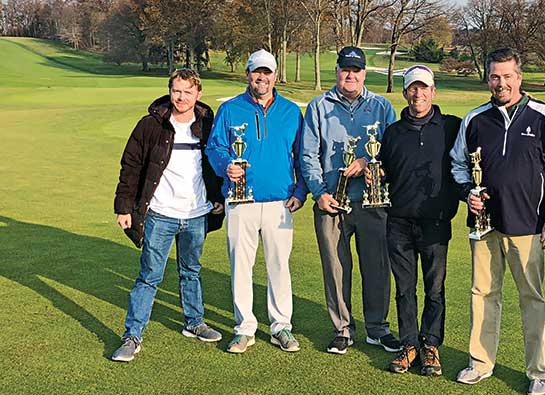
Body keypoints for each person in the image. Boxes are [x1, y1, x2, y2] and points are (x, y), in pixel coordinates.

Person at [450, 48, 545, 395]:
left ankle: (538, 372)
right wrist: (466, 193)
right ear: (487, 78)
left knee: (531, 298)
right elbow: (457, 164)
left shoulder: (544, 116)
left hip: (529, 225)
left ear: (519, 77)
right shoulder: (475, 119)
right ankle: (480, 363)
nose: (500, 83)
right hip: (484, 225)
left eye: (507, 76)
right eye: (494, 76)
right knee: (483, 293)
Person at [112, 68, 225, 362]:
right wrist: (123, 207)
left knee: (191, 272)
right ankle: (132, 335)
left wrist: (218, 199)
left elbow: (216, 165)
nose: (182, 97)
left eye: (188, 91)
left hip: (197, 214)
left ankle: (194, 323)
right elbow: (131, 167)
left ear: (198, 94)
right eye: (177, 91)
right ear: (169, 91)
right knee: (149, 276)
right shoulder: (151, 125)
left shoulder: (209, 124)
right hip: (161, 214)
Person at [205, 49, 309, 354]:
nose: (261, 78)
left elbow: (301, 156)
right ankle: (244, 328)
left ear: (275, 75)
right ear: (247, 74)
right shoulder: (230, 109)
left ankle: (281, 327)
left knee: (279, 266)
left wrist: (301, 192)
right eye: (255, 72)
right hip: (240, 202)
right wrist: (226, 165)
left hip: (279, 202)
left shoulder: (291, 112)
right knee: (241, 266)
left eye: (267, 72)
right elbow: (215, 148)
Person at [301, 46, 400, 355]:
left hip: (372, 203)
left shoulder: (382, 107)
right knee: (336, 269)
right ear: (338, 71)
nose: (350, 75)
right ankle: (342, 328)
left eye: (356, 70)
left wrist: (373, 166)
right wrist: (319, 193)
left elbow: (394, 153)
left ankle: (377, 328)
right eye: (346, 69)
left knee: (377, 267)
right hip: (332, 203)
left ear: (364, 74)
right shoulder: (319, 106)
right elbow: (308, 155)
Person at [368, 65, 461, 376]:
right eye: (412, 88)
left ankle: (431, 345)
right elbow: (387, 171)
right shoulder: (392, 132)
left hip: (435, 223)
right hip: (399, 222)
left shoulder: (451, 128)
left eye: (423, 88)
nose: (418, 93)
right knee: (405, 288)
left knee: (435, 289)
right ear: (405, 92)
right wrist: (376, 173)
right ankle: (409, 345)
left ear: (433, 92)